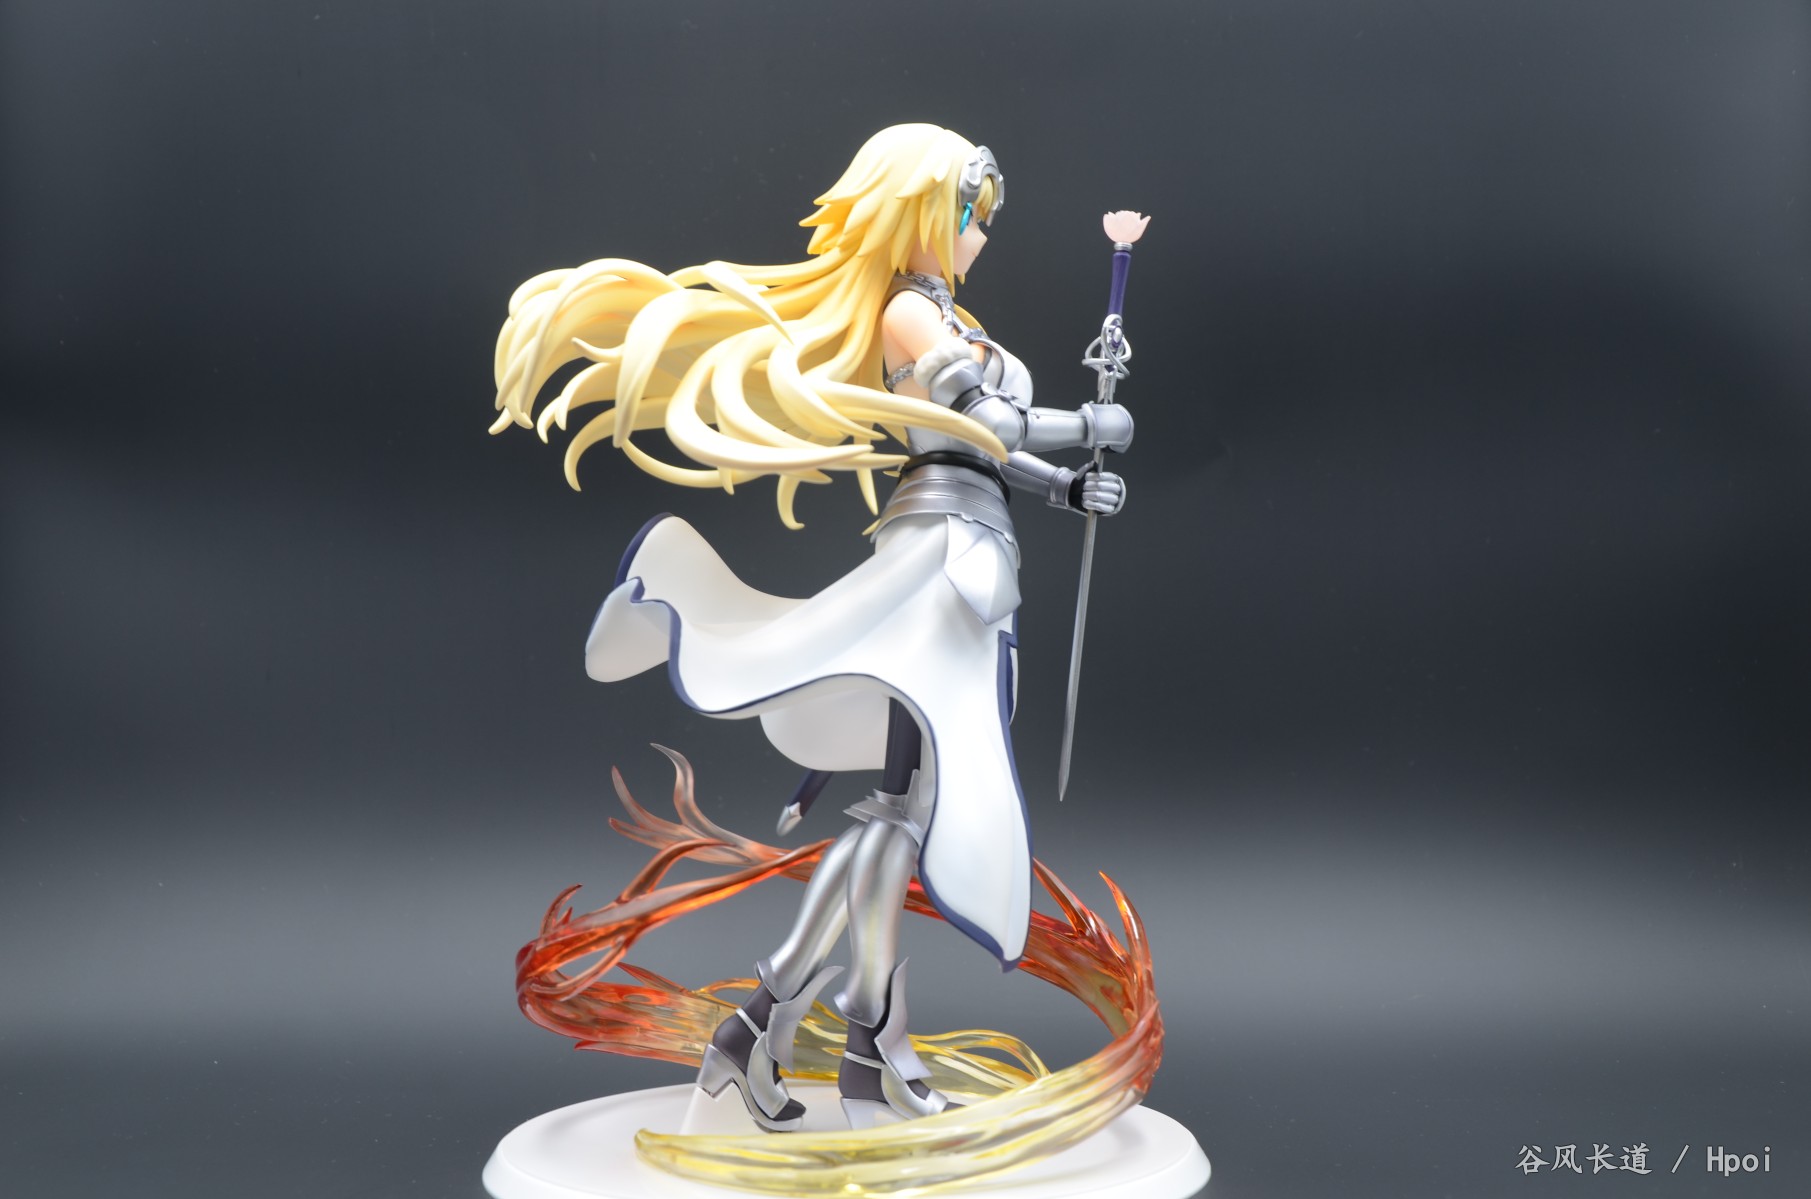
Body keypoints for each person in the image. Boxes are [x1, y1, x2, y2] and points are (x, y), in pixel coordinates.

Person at [492, 124, 1132, 1130]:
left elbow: (990, 449)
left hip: (973, 553)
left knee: (903, 808)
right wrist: (1086, 431)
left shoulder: (946, 315)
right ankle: (857, 1037)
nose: (978, 231)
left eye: (983, 214)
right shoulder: (907, 314)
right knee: (905, 807)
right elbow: (981, 426)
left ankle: (782, 1028)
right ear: (918, 207)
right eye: (968, 209)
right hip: (936, 558)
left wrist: (1069, 484)